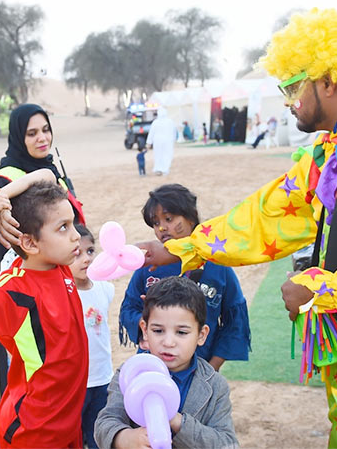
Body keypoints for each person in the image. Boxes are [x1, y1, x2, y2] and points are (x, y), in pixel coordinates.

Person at [140, 8, 337, 448]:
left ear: (327, 82)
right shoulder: (333, 149)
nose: (288, 100)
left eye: (292, 86)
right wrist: (186, 248)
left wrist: (317, 289)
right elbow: (269, 216)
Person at [0, 180, 88, 448]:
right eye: (63, 227)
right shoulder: (17, 289)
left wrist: (2, 198)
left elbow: (47, 174)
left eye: (72, 223)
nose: (75, 236)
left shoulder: (58, 265)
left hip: (69, 422)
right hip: (33, 430)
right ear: (29, 242)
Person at [0, 103, 86, 405]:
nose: (42, 138)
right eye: (32, 133)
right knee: (26, 378)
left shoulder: (54, 170)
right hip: (24, 296)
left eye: (46, 130)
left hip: (62, 283)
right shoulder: (3, 179)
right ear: (18, 137)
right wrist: (7, 194)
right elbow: (2, 233)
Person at [95, 276, 239, 449]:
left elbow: (227, 443)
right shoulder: (129, 374)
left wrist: (176, 420)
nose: (169, 342)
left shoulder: (215, 386)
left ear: (201, 335)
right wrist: (126, 438)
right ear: (145, 331)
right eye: (158, 330)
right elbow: (105, 423)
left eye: (181, 332)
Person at [120, 184, 250, 372]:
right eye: (156, 223)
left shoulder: (217, 264)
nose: (162, 228)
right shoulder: (149, 266)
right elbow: (128, 309)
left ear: (191, 217)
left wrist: (210, 369)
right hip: (153, 370)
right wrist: (150, 321)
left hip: (203, 368)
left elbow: (235, 320)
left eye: (169, 219)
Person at [69, 225, 115, 449]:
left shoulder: (104, 289)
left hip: (102, 377)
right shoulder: (64, 295)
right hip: (75, 383)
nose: (85, 259)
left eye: (90, 251)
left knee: (98, 433)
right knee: (74, 435)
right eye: (76, 253)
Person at [146, 108, 177, 176]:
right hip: (168, 141)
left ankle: (158, 169)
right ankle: (165, 169)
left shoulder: (155, 122)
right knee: (167, 155)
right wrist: (173, 140)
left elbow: (151, 133)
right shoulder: (170, 121)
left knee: (158, 155)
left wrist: (149, 142)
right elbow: (174, 132)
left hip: (157, 141)